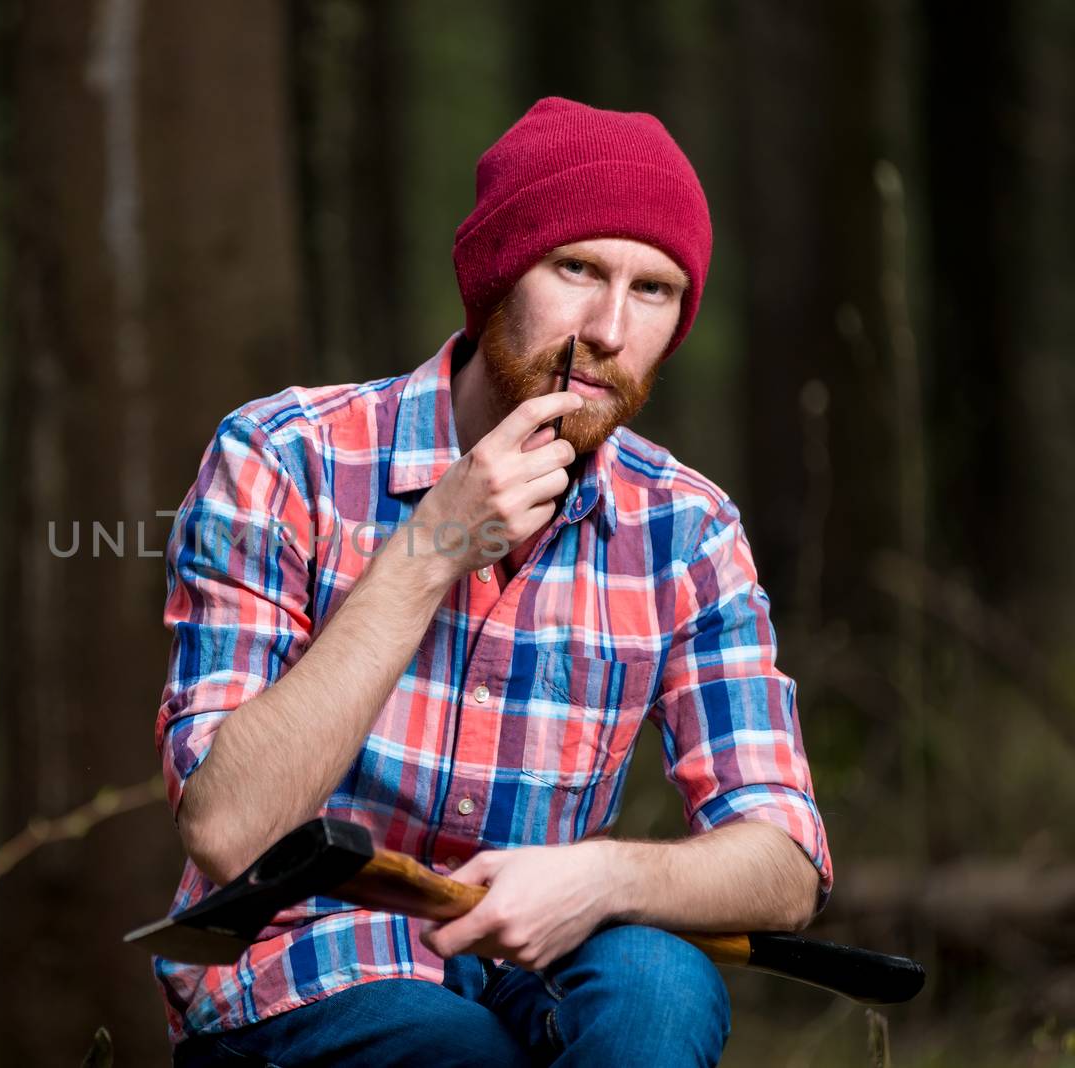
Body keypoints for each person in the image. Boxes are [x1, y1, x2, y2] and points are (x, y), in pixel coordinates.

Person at [152, 97, 833, 1067]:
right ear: (497, 272)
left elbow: (783, 859)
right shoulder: (283, 458)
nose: (607, 326)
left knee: (659, 987)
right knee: (453, 1052)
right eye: (578, 270)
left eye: (653, 289)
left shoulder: (685, 526)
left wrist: (598, 877)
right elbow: (226, 829)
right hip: (300, 971)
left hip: (534, 952)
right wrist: (429, 550)